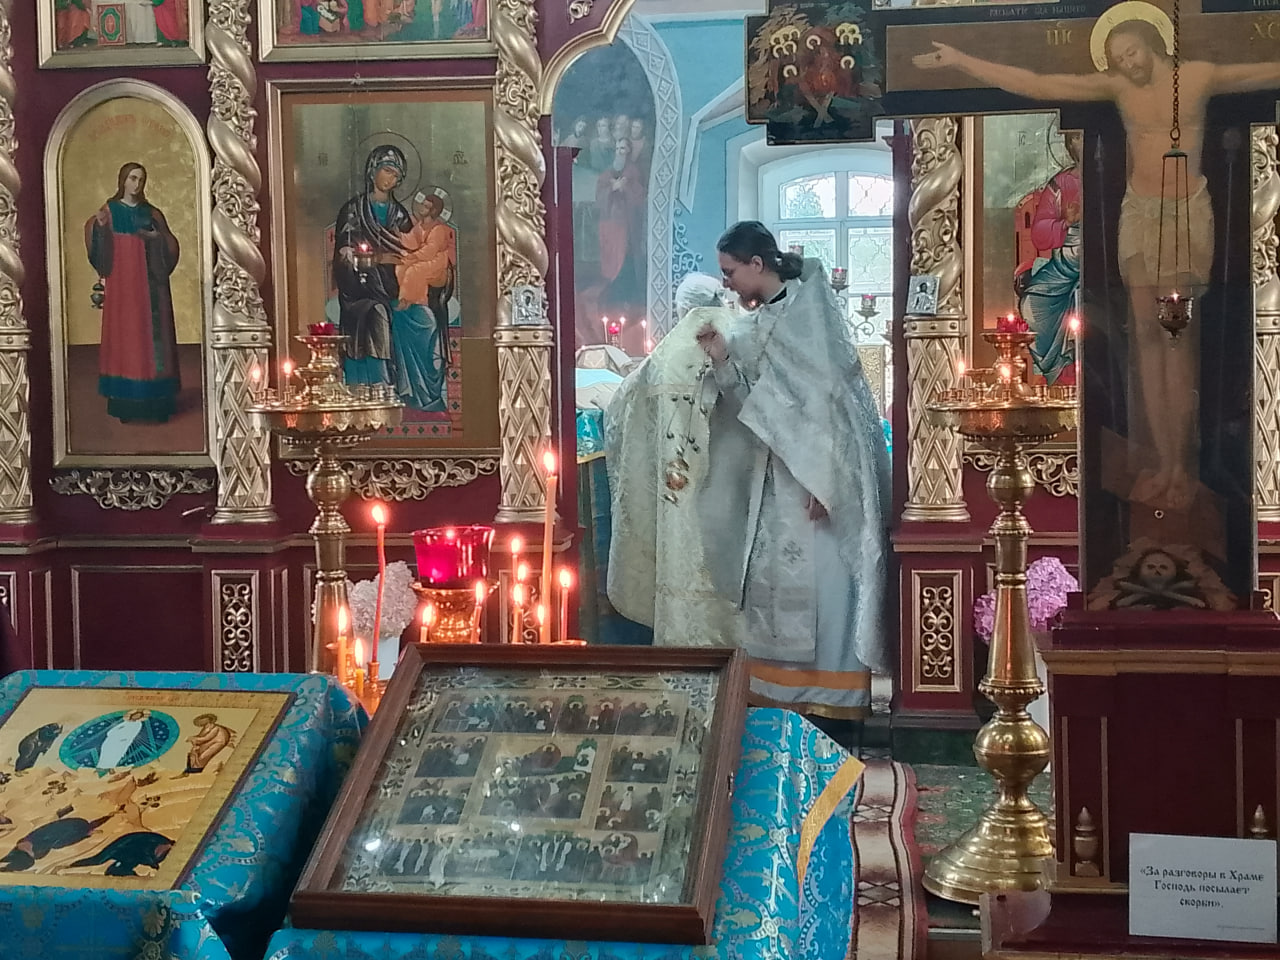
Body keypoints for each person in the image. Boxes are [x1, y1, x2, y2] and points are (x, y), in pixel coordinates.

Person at [914, 13, 1280, 511]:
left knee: (1179, 342)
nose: (1128, 64)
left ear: (1156, 43)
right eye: (1118, 58)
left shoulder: (1198, 76)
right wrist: (960, 59)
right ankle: (1162, 462)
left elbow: (1261, 71)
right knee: (1146, 342)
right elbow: (1040, 83)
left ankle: (1183, 465)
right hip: (1139, 212)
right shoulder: (1119, 88)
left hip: (1186, 212)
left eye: (1133, 52)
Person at [700, 222, 891, 716]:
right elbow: (750, 403)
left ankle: (832, 698)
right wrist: (722, 361)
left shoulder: (812, 314)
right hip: (774, 478)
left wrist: (826, 480)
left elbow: (831, 406)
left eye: (730, 271)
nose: (726, 283)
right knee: (773, 589)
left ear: (756, 264)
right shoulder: (752, 325)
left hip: (817, 483)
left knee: (825, 587)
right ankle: (779, 697)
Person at [605, 273, 747, 648]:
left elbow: (621, 412)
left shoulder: (663, 359)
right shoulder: (743, 342)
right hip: (737, 493)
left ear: (682, 308)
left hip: (679, 500)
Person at [333, 145, 447, 412]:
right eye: (386, 171)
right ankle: (380, 392)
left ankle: (419, 396)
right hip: (361, 295)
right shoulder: (354, 210)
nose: (390, 179)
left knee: (426, 319)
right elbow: (344, 254)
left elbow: (412, 250)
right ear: (372, 171)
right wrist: (371, 259)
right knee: (379, 314)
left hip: (396, 289)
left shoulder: (400, 214)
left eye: (396, 175)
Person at [86, 162, 182, 425]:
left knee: (152, 338)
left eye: (140, 179)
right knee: (125, 337)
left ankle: (157, 402)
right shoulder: (110, 210)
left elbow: (169, 244)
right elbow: (97, 243)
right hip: (122, 287)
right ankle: (125, 403)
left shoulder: (152, 213)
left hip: (150, 287)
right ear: (123, 181)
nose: (136, 184)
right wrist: (100, 228)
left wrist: (155, 239)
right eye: (132, 178)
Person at [1019, 131, 1083, 385]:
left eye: (1082, 137)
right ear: (1068, 144)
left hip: (1101, 264)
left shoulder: (1109, 178)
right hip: (1065, 264)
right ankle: (1059, 372)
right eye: (1074, 138)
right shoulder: (1060, 184)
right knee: (1031, 304)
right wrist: (1065, 222)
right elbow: (1039, 233)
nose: (1080, 143)